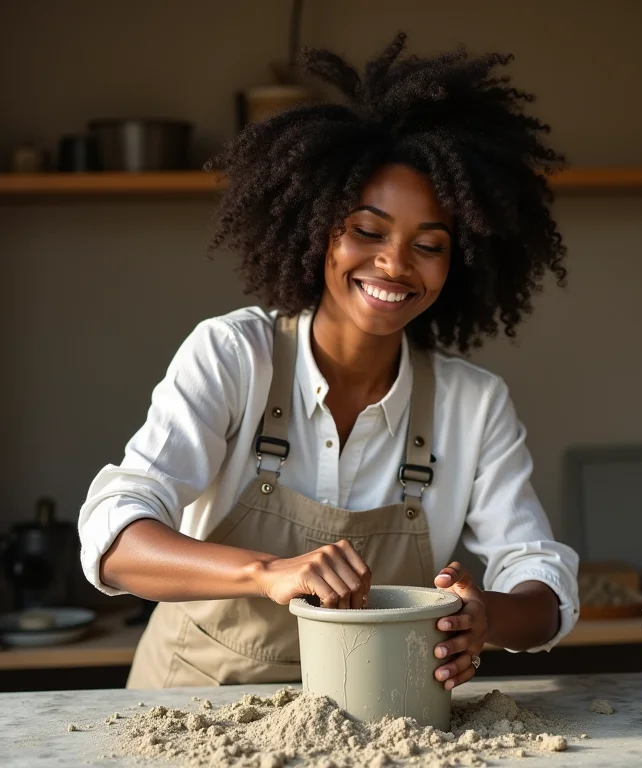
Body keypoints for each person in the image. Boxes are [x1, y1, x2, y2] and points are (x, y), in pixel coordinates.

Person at [79, 33, 579, 691]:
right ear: (316, 230)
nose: (394, 264)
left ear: (459, 263)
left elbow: (541, 579)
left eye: (429, 245)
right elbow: (114, 539)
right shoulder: (234, 356)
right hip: (196, 702)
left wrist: (486, 617)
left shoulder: (473, 404)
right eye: (368, 232)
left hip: (376, 716)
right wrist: (265, 573)